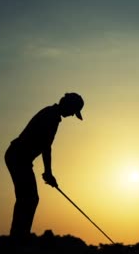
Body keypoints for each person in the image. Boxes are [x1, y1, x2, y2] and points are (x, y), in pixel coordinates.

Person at [5, 92, 84, 241]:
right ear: (68, 105)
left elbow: (45, 146)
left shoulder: (52, 114)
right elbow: (46, 147)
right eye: (73, 111)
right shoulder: (51, 116)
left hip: (21, 158)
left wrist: (48, 173)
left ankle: (19, 237)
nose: (73, 115)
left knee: (28, 198)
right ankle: (18, 238)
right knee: (29, 198)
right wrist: (48, 173)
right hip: (18, 157)